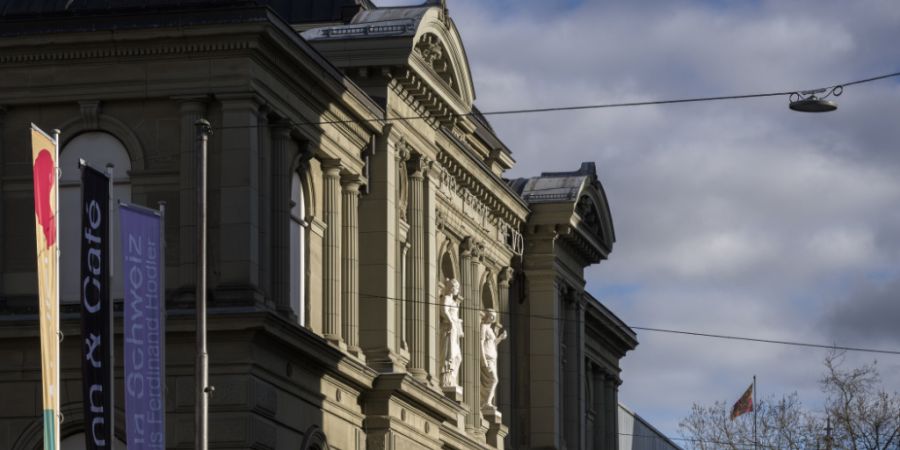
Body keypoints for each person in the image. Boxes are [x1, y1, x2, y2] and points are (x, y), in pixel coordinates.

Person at [480, 308, 506, 410]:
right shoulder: (484, 327)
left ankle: (487, 402)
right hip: (486, 357)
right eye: (491, 316)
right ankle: (486, 402)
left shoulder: (490, 329)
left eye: (493, 316)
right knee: (494, 379)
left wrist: (500, 338)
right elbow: (481, 343)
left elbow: (493, 343)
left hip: (492, 358)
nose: (492, 318)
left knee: (493, 380)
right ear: (487, 316)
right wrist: (483, 360)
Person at [440, 279, 463, 390]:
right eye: (456, 288)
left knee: (458, 357)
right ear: (451, 288)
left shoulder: (453, 301)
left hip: (454, 330)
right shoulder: (446, 298)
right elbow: (443, 310)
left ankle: (452, 379)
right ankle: (446, 380)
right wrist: (450, 322)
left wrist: (458, 324)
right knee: (449, 355)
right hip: (449, 328)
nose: (457, 290)